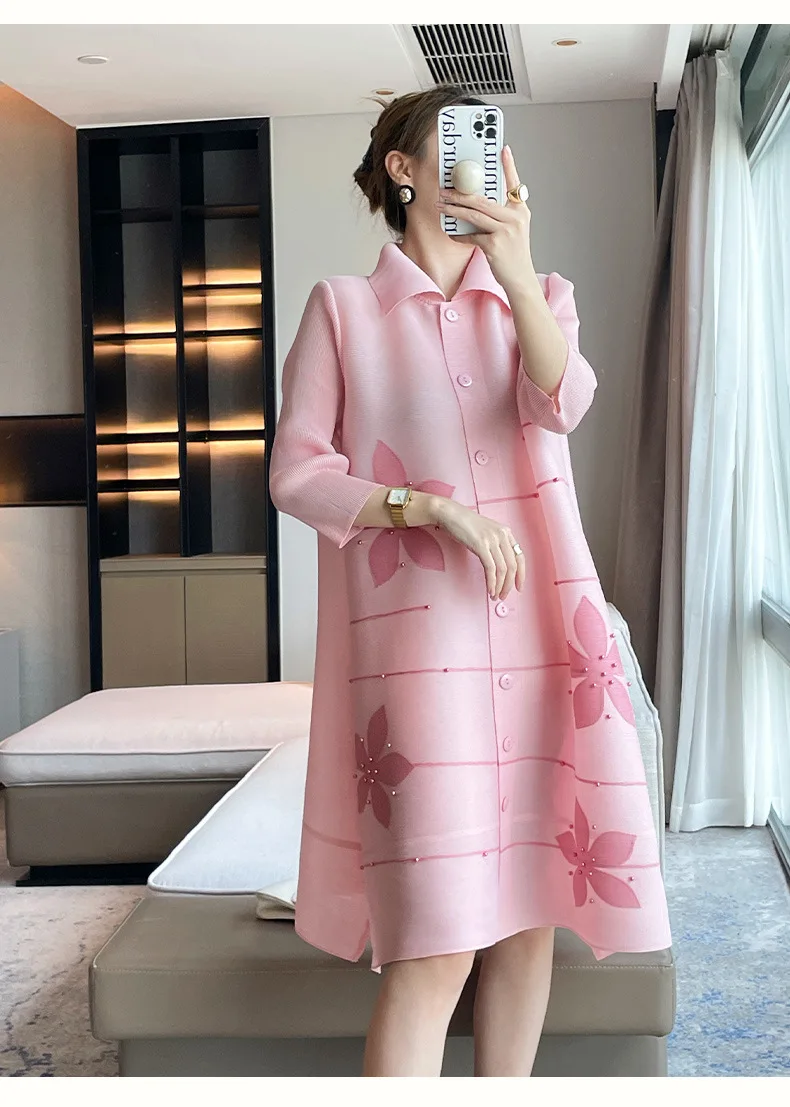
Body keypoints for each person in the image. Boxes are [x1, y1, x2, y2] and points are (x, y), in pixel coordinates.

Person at [268, 83, 672, 1078]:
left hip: (543, 641)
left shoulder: (539, 297)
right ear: (402, 169)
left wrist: (518, 272)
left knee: (531, 921)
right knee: (435, 946)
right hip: (419, 654)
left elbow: (561, 402)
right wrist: (429, 508)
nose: (482, 160)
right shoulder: (344, 309)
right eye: (457, 141)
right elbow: (298, 473)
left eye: (492, 143)